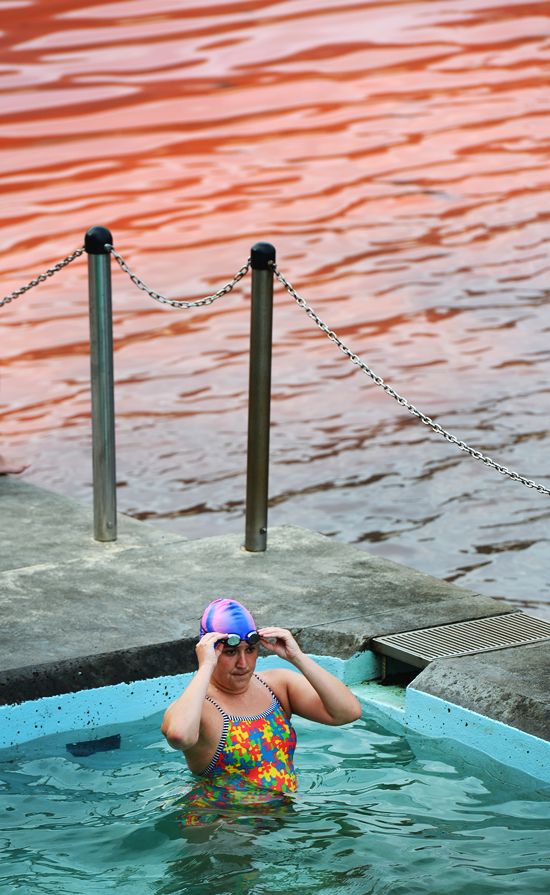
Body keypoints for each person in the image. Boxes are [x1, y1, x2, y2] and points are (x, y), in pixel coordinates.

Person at [161, 598, 362, 823]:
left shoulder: (278, 686)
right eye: (230, 652)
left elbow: (348, 712)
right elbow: (179, 737)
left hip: (280, 816)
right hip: (222, 829)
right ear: (209, 651)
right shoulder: (200, 707)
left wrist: (297, 657)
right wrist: (205, 666)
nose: (243, 664)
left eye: (250, 650)